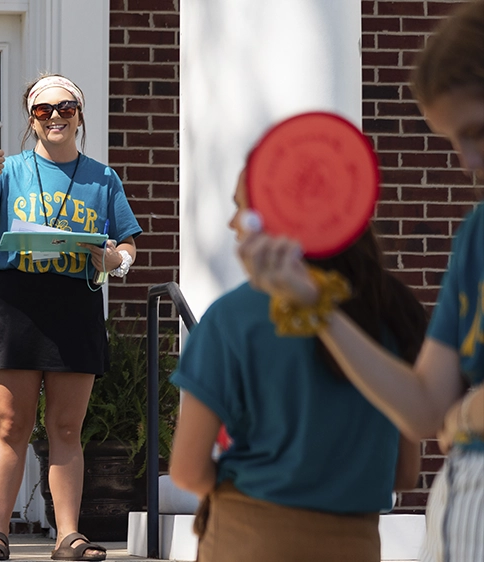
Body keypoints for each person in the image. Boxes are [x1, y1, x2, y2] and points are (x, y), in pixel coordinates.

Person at [236, 2, 484, 560]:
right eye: (452, 140)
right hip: (459, 511)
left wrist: (468, 413)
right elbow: (424, 409)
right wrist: (315, 306)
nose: (468, 160)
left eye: (477, 130)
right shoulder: (476, 234)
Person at [167, 168, 424, 561]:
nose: (232, 222)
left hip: (247, 537)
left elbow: (187, 469)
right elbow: (404, 473)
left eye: (243, 208)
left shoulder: (232, 317)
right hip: (355, 543)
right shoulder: (392, 311)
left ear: (280, 216)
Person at [0, 74, 141, 561]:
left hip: (76, 302)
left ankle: (67, 536)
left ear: (79, 114)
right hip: (19, 301)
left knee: (67, 428)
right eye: (43, 110)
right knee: (12, 424)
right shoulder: (8, 169)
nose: (56, 117)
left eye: (66, 108)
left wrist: (114, 261)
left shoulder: (102, 177)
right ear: (32, 118)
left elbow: (126, 242)